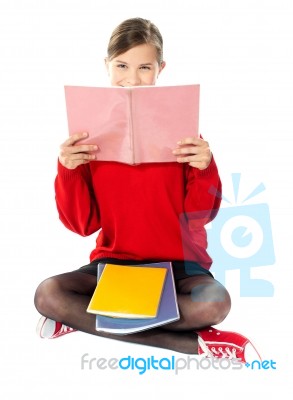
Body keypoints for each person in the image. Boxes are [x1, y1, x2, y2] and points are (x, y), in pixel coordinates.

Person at [34, 17, 260, 362]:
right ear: (106, 66)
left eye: (144, 67)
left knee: (215, 304)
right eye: (122, 65)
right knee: (48, 294)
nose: (132, 78)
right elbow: (81, 225)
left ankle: (82, 320)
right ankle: (189, 344)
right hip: (115, 263)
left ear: (160, 69)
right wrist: (67, 169)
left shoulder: (185, 135)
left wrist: (205, 166)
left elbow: (201, 216)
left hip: (181, 265)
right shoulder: (88, 139)